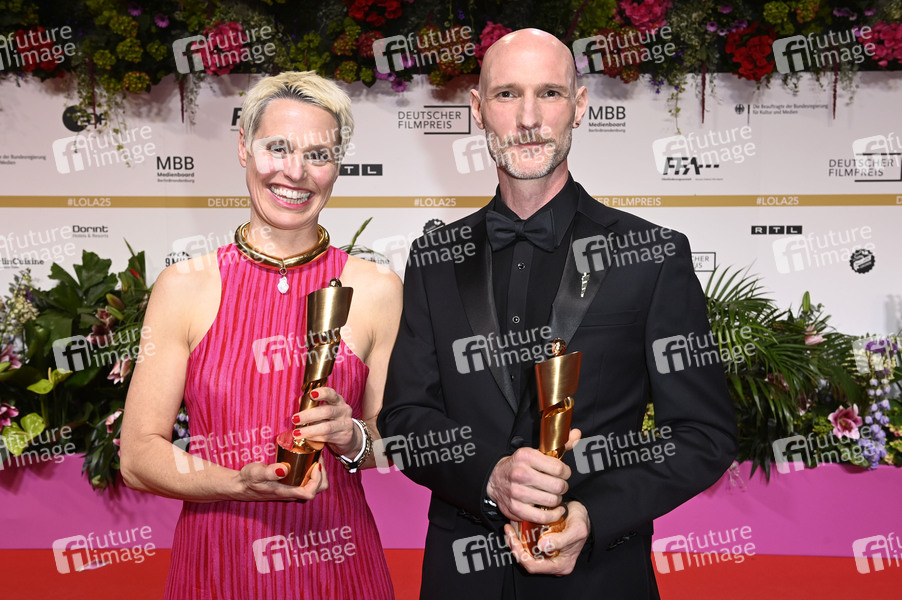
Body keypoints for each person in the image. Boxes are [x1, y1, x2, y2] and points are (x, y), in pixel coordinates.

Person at [377, 29, 738, 599]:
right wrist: (490, 478)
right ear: (477, 108)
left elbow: (703, 434)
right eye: (507, 94)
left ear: (579, 105)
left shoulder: (652, 254)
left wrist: (593, 516)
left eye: (549, 93)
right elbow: (404, 419)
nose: (528, 118)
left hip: (599, 580)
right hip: (463, 578)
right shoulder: (434, 257)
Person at [120, 71, 401, 599]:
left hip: (338, 568)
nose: (295, 172)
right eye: (278, 147)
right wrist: (238, 484)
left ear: (338, 166)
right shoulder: (184, 286)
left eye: (318, 154)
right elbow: (137, 457)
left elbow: (394, 443)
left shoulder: (378, 289)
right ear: (244, 149)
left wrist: (352, 437)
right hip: (216, 568)